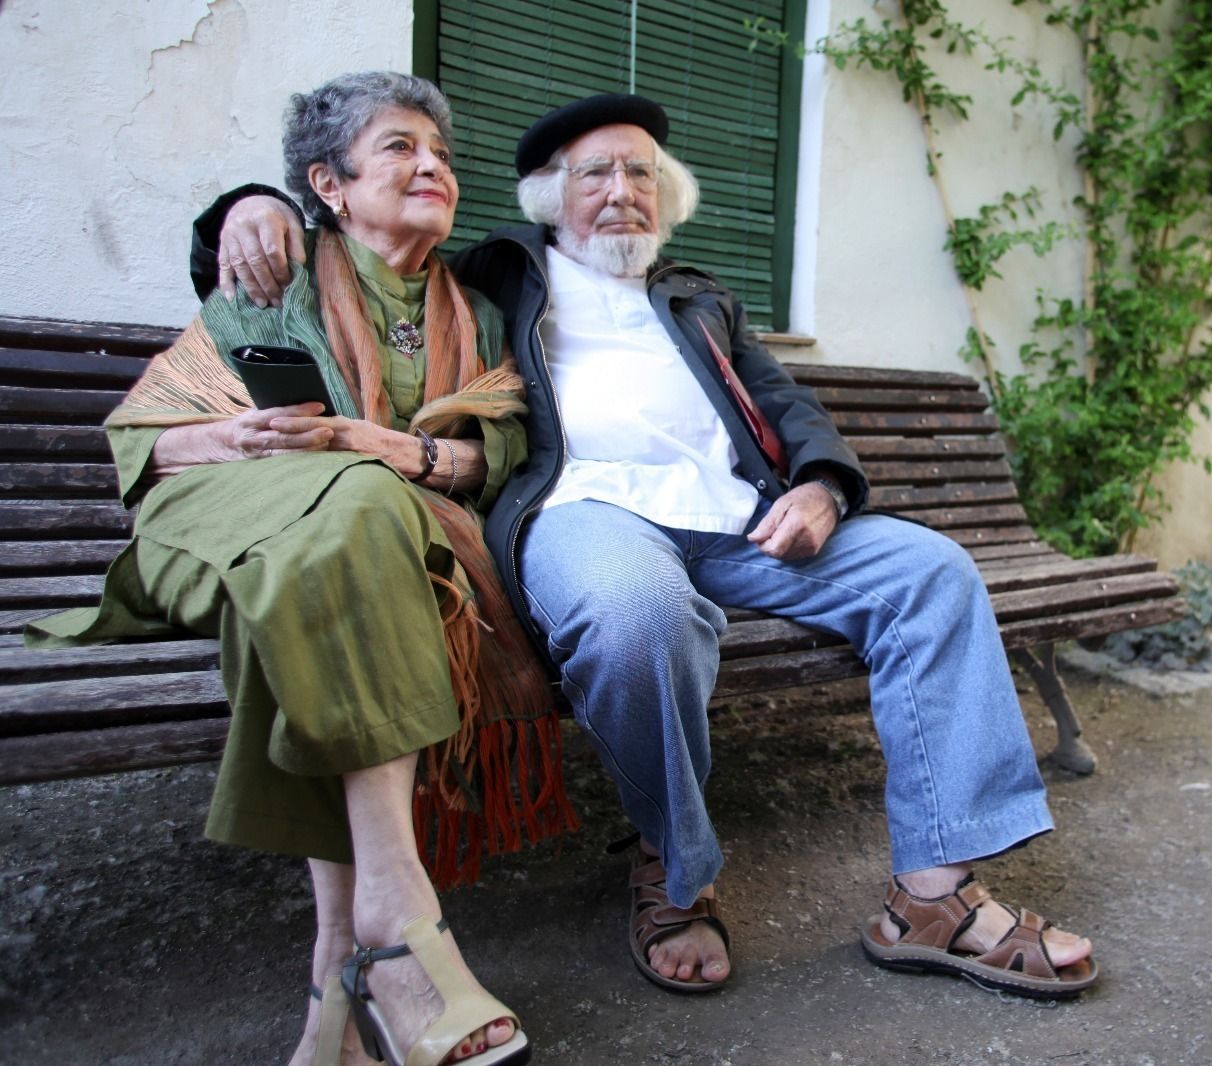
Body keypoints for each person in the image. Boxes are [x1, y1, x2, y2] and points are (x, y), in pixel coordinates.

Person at [197, 93, 1099, 1000]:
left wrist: (823, 488)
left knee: (931, 572)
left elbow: (790, 409)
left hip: (741, 520)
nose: (621, 190)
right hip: (586, 511)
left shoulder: (700, 297)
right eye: (596, 172)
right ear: (552, 198)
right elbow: (353, 248)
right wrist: (253, 207)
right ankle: (674, 869)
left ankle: (932, 897)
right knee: (635, 617)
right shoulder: (495, 274)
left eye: (641, 174)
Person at [29, 72, 571, 1065]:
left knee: (349, 532)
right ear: (327, 182)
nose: (433, 167)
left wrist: (389, 450)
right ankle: (399, 913)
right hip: (222, 520)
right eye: (402, 147)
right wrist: (230, 436)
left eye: (443, 155)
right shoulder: (265, 279)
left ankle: (337, 976)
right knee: (353, 521)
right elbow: (146, 443)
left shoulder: (478, 316)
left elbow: (491, 458)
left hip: (357, 548)